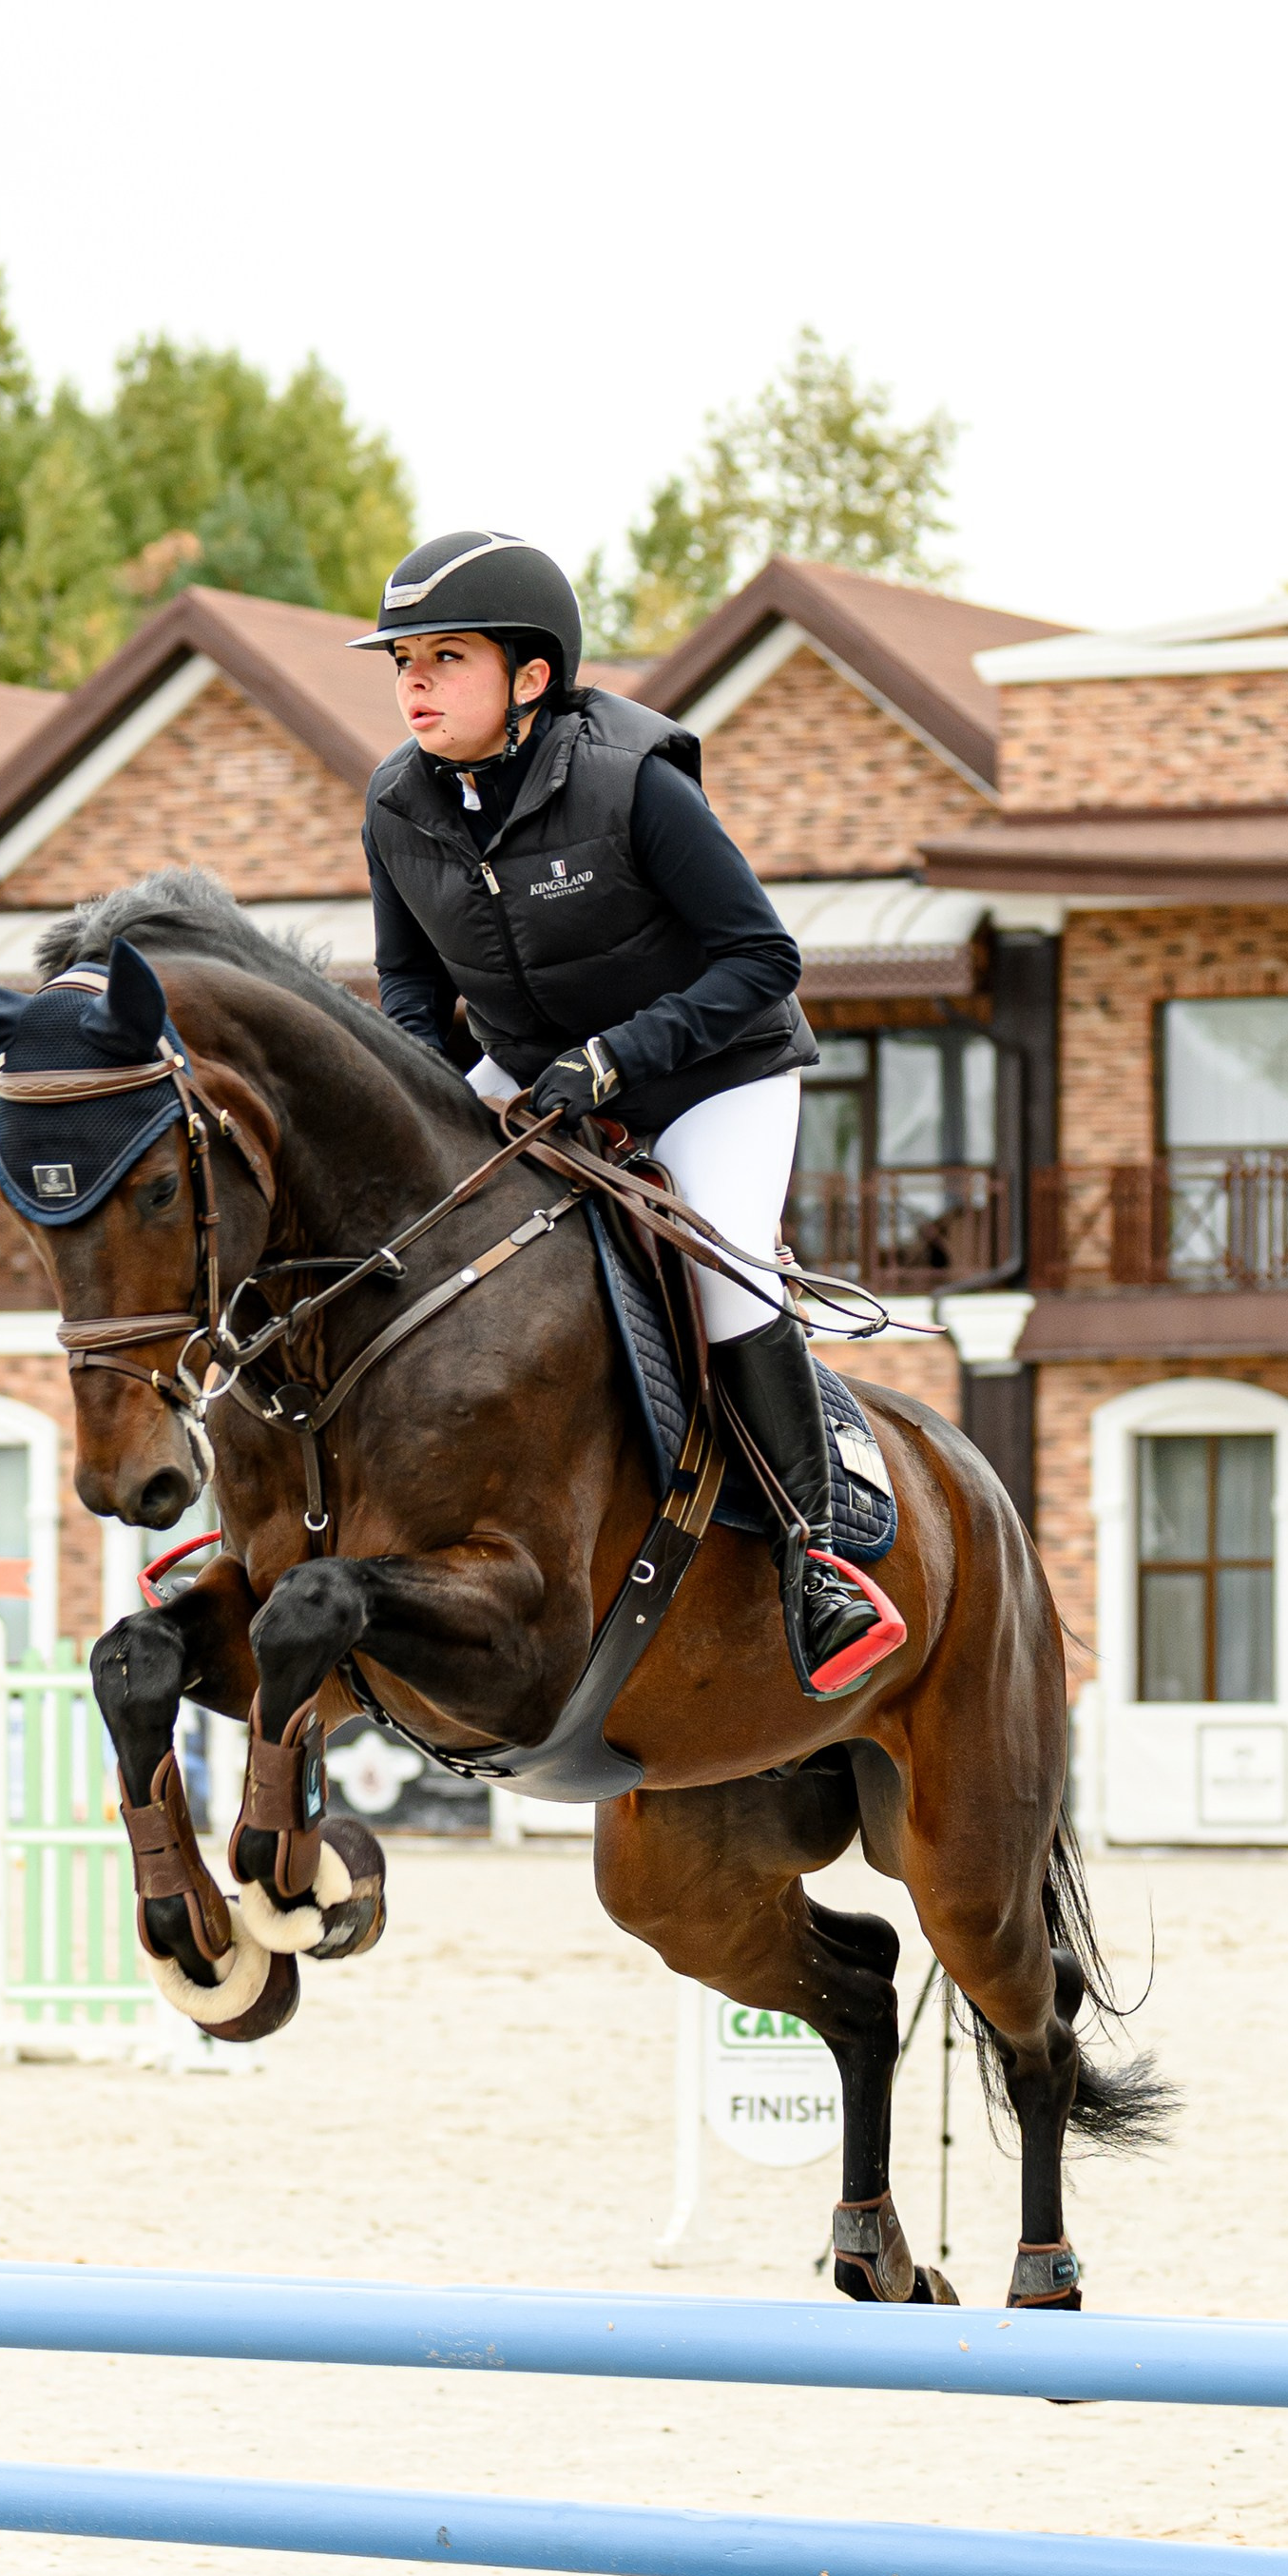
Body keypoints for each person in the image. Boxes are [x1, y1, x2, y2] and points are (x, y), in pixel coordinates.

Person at [354, 527, 903, 1701]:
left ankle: (818, 1560)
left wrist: (608, 1064)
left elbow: (764, 957)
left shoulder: (633, 779)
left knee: (723, 1273)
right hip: (534, 1069)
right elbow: (409, 993)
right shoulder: (396, 806)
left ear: (533, 677)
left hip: (715, 1075)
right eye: (404, 659)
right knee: (389, 1229)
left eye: (446, 657)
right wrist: (429, 1099)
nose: (413, 681)